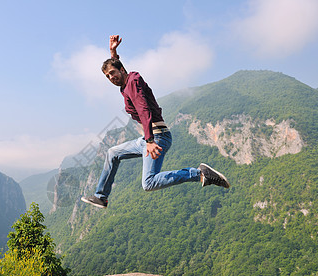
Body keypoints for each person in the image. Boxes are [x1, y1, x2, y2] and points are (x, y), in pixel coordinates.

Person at [81, 35, 230, 208]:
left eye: (112, 73)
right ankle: (101, 197)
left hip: (156, 137)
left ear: (121, 70)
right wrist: (113, 53)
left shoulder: (132, 82)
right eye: (107, 76)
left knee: (149, 183)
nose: (111, 78)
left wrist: (150, 140)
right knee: (112, 153)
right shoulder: (127, 82)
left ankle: (199, 174)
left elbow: (144, 110)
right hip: (147, 138)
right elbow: (121, 73)